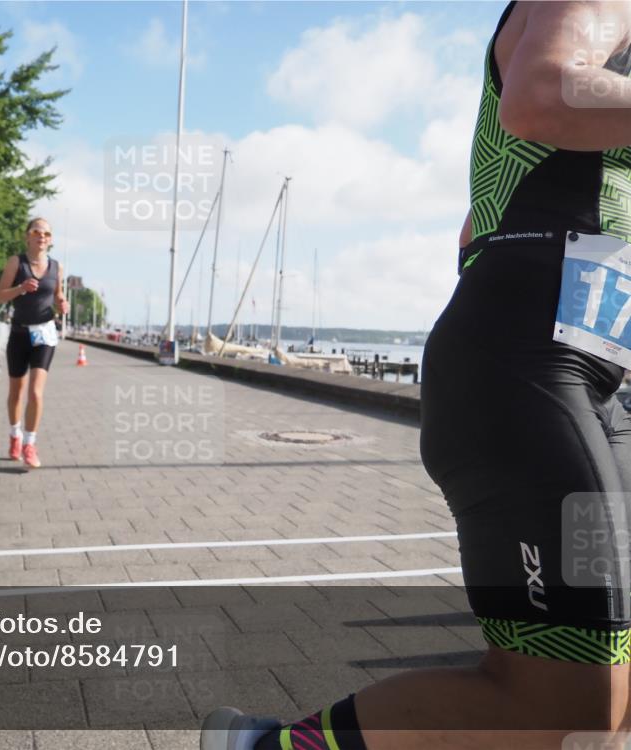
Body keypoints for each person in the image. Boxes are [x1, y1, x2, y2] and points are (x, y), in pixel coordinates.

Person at [202, 2, 631, 748]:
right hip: (532, 370)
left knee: (616, 700)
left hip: (600, 379)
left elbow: (476, 226)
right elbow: (542, 94)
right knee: (564, 706)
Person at [0, 217, 69, 469]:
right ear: (27, 236)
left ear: (50, 239)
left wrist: (62, 304)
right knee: (16, 392)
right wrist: (21, 289)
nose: (42, 236)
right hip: (19, 333)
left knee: (36, 392)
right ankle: (15, 435)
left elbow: (58, 295)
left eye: (47, 233)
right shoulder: (17, 262)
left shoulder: (56, 267)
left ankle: (29, 444)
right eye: (37, 232)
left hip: (45, 335)